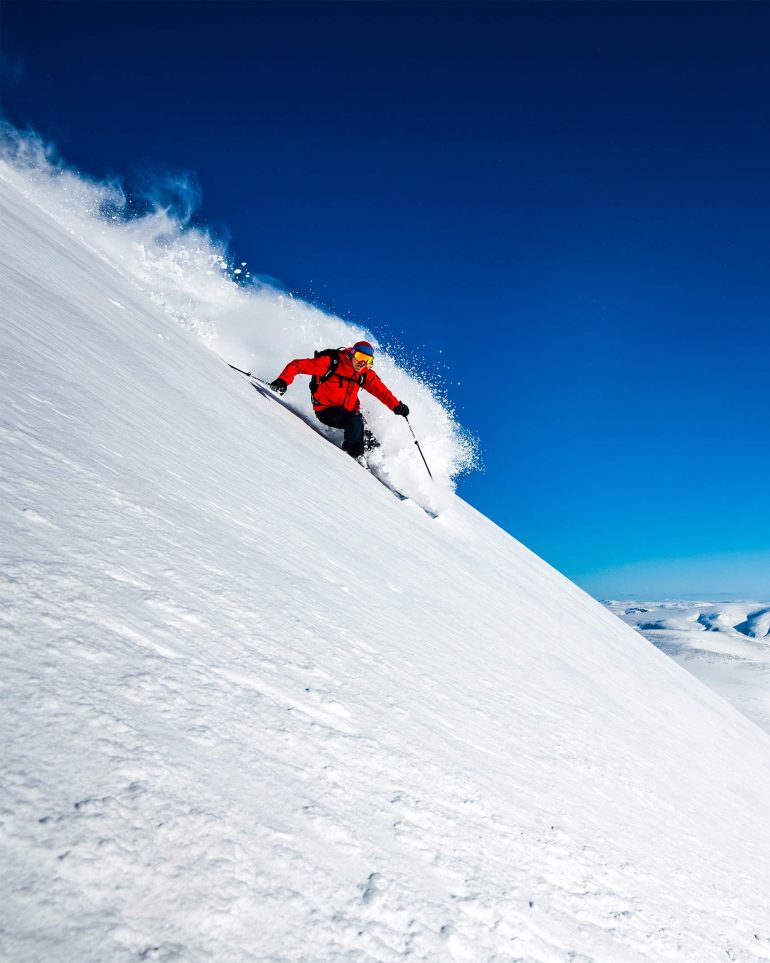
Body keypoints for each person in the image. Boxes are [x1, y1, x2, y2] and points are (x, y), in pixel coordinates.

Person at [269, 341, 409, 460]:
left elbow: (382, 392)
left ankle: (376, 461)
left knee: (366, 434)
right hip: (326, 411)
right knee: (354, 420)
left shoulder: (365, 374)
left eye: (367, 361)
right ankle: (355, 456)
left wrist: (396, 406)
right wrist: (283, 381)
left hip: (349, 413)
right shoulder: (332, 362)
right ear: (352, 353)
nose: (362, 363)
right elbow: (297, 365)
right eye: (360, 357)